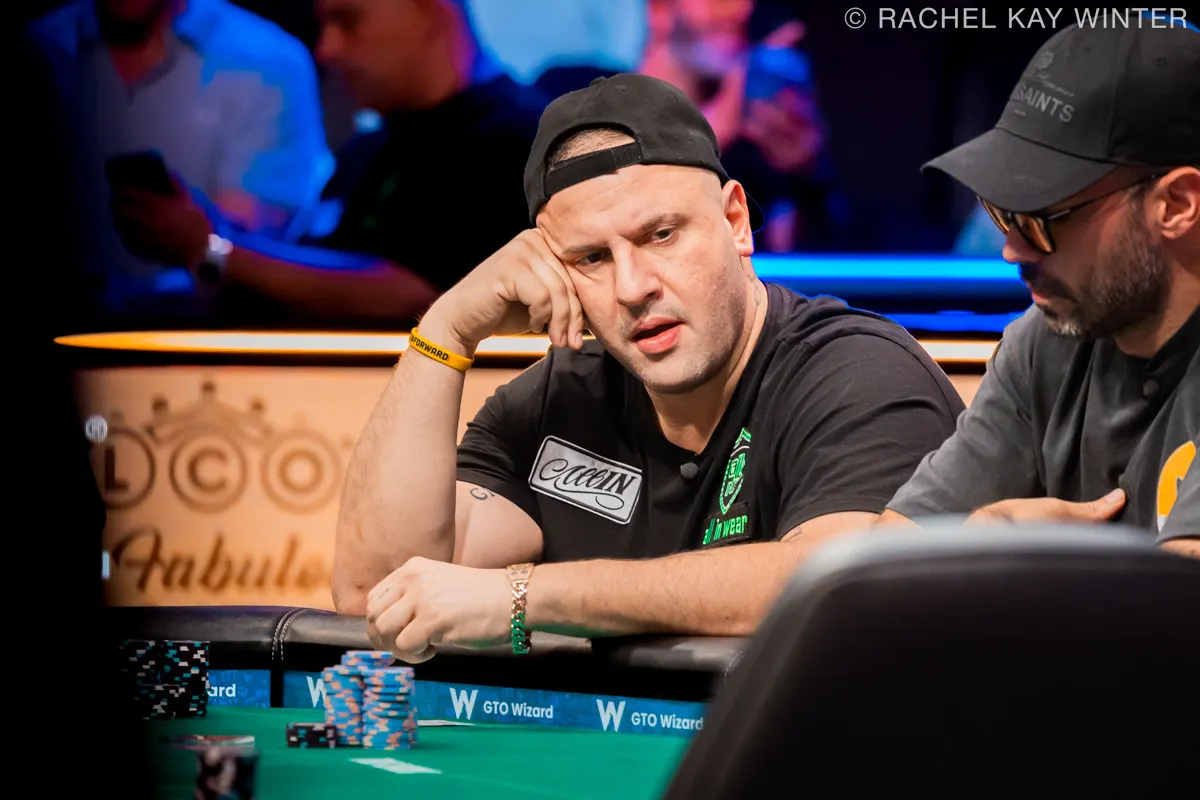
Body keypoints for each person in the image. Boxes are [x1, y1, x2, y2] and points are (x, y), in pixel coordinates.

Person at [332, 73, 966, 662]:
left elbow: (838, 583)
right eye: (591, 258)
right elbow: (380, 598)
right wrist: (445, 332)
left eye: (661, 235)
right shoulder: (558, 399)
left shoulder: (858, 371)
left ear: (735, 221)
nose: (633, 287)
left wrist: (523, 597)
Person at [879, 20, 1199, 559]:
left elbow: (1180, 603)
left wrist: (1014, 575)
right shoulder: (1049, 338)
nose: (1012, 249)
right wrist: (983, 535)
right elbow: (883, 565)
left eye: (1042, 218)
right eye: (1003, 213)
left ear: (1177, 204)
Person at [108, 0, 548, 327]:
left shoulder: (519, 139)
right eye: (324, 25)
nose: (326, 49)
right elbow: (308, 277)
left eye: (348, 20)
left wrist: (212, 249)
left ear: (429, 12)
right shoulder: (366, 150)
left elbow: (421, 295)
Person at [25, 0, 333, 324]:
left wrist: (200, 246)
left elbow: (254, 263)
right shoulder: (38, 49)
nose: (327, 50)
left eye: (348, 22)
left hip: (204, 337)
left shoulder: (268, 61)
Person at [535, 0, 848, 254]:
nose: (742, 8)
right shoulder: (572, 93)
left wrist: (808, 177)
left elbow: (804, 270)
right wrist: (709, 134)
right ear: (660, 10)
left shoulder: (753, 148)